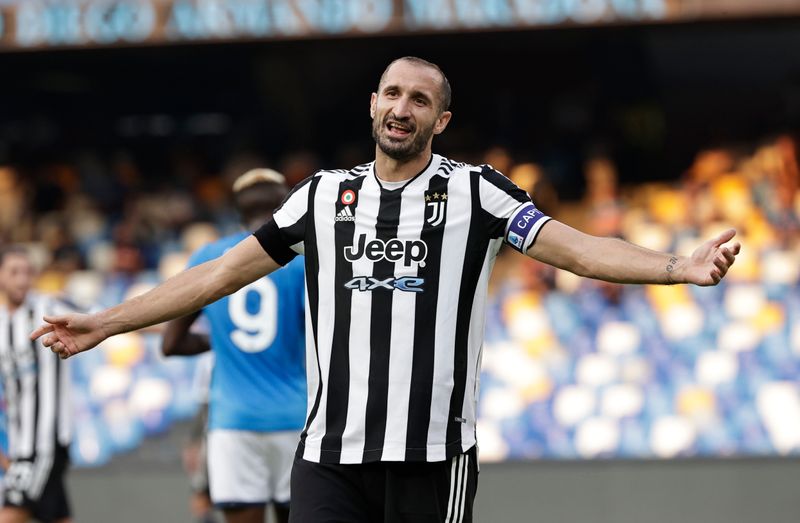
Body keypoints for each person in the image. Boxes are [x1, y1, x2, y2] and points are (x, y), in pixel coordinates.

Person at [32, 56, 741, 523]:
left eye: (420, 100)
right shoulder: (321, 197)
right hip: (330, 457)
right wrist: (106, 322)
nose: (403, 108)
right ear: (373, 104)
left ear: (441, 120)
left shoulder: (478, 194)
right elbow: (217, 273)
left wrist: (679, 265)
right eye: (393, 93)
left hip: (431, 463)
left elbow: (580, 251)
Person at [160, 169, 306, 523]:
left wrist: (220, 341)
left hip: (233, 421)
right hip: (296, 417)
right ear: (284, 206)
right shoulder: (305, 258)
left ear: (237, 211)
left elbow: (171, 344)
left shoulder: (208, 256)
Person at [0, 246, 72, 523]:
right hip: (19, 448)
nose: (22, 280)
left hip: (46, 443)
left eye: (27, 272)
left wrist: (168, 321)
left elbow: (105, 318)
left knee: (8, 516)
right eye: (14, 272)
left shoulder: (50, 308)